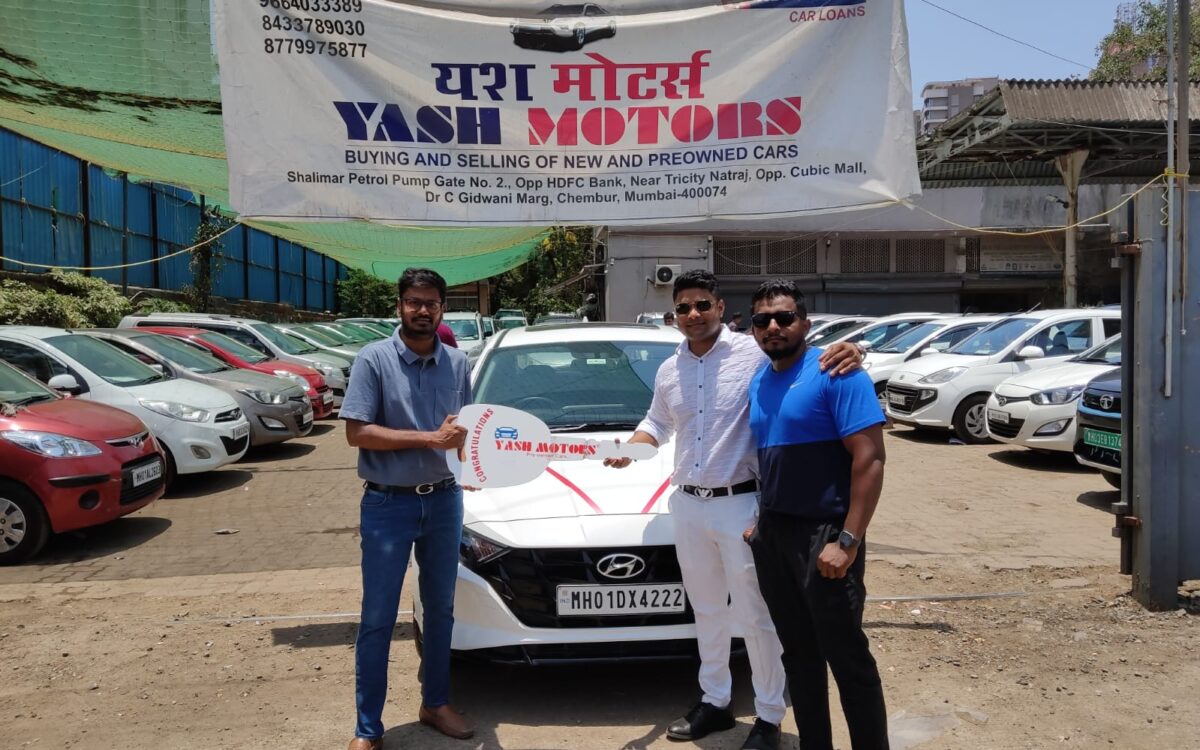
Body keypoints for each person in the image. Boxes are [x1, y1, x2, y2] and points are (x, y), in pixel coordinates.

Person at [605, 270, 863, 750]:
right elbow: (656, 422)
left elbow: (802, 358)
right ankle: (715, 701)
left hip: (742, 504)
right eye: (683, 308)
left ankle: (769, 715)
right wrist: (631, 447)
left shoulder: (753, 353)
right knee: (706, 610)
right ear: (674, 315)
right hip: (687, 504)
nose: (693, 314)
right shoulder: (669, 369)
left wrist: (853, 349)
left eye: (702, 304)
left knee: (757, 614)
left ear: (720, 308)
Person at [745, 279, 889, 750]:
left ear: (805, 323)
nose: (773, 326)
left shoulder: (837, 373)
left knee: (847, 657)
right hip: (774, 537)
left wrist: (847, 541)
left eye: (784, 317)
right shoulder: (759, 380)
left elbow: (870, 458)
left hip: (825, 536)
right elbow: (771, 460)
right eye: (763, 319)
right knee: (799, 656)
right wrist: (762, 523)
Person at [339, 268, 475, 750]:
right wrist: (429, 438)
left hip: (444, 501)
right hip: (387, 503)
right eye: (414, 302)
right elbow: (356, 431)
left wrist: (475, 462)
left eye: (431, 303)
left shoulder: (458, 363)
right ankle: (367, 728)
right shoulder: (373, 360)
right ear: (399, 306)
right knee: (378, 615)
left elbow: (466, 432)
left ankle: (434, 703)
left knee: (440, 609)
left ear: (442, 309)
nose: (422, 310)